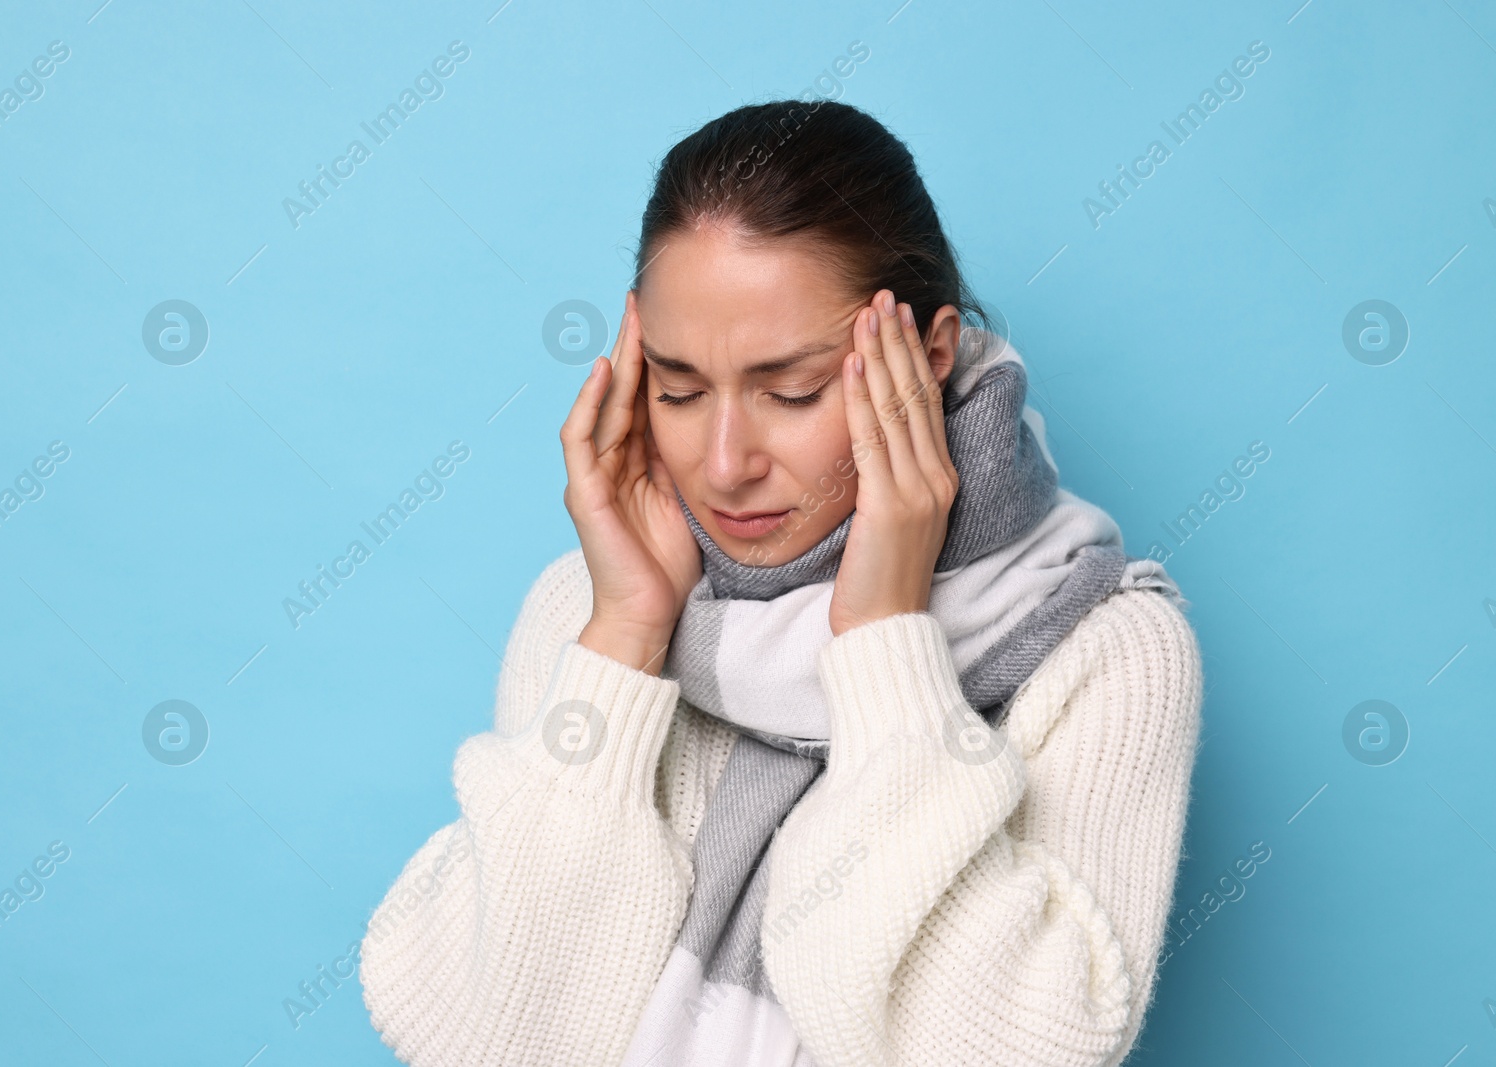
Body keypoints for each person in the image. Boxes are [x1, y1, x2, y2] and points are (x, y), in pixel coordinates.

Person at [358, 99, 1202, 1067]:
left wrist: (883, 645)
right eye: (676, 388)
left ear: (927, 358)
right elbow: (489, 1035)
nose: (722, 464)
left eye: (791, 392)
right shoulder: (589, 615)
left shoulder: (1101, 654)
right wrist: (627, 636)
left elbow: (1015, 1046)